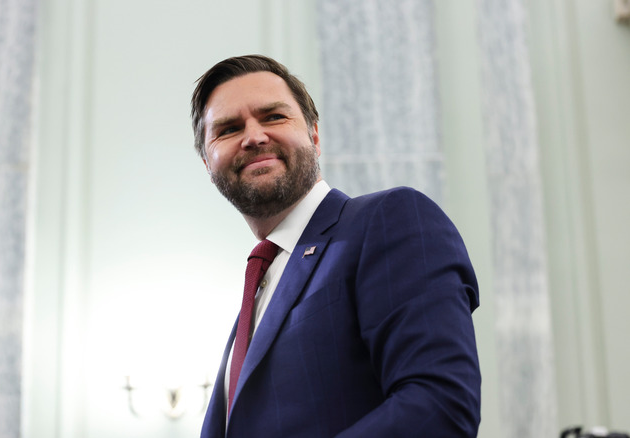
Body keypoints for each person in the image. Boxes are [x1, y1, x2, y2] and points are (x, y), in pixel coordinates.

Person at [191, 54, 481, 438]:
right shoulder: (259, 287)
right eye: (228, 129)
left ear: (314, 136)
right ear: (207, 163)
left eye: (273, 117)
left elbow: (440, 404)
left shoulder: (387, 220)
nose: (254, 137)